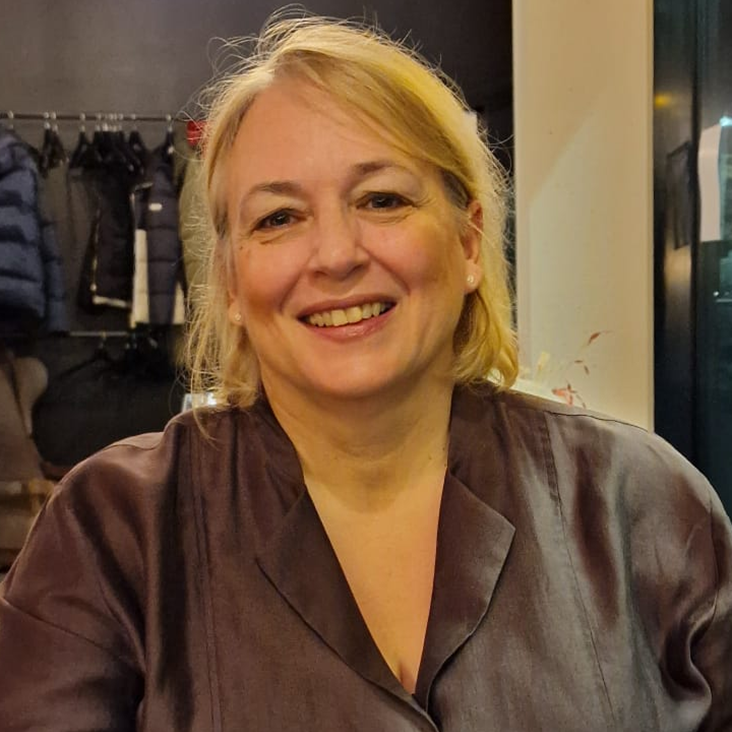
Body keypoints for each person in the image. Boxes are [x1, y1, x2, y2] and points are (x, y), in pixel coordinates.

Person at [1, 14, 730, 732]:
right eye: (278, 218)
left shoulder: (643, 505)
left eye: (382, 200)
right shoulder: (110, 533)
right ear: (230, 284)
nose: (336, 255)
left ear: (468, 243)